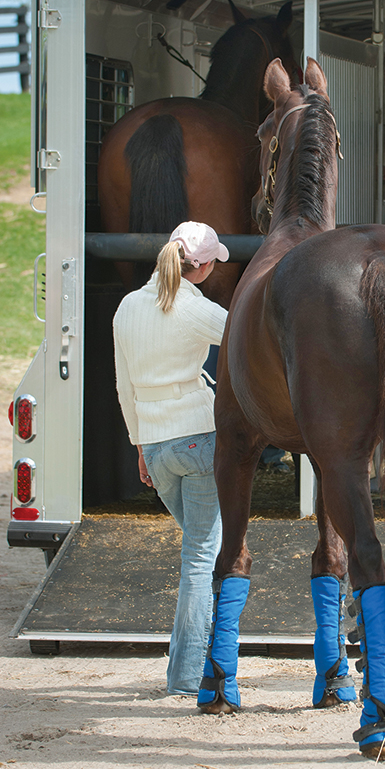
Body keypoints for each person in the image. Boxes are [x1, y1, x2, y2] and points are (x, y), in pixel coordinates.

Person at [113, 221, 229, 694]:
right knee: (201, 556)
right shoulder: (194, 307)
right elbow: (249, 337)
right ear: (199, 267)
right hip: (199, 437)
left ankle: (202, 658)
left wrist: (140, 445)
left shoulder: (126, 307)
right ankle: (185, 675)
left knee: (199, 552)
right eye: (212, 262)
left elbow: (123, 387)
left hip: (156, 447)